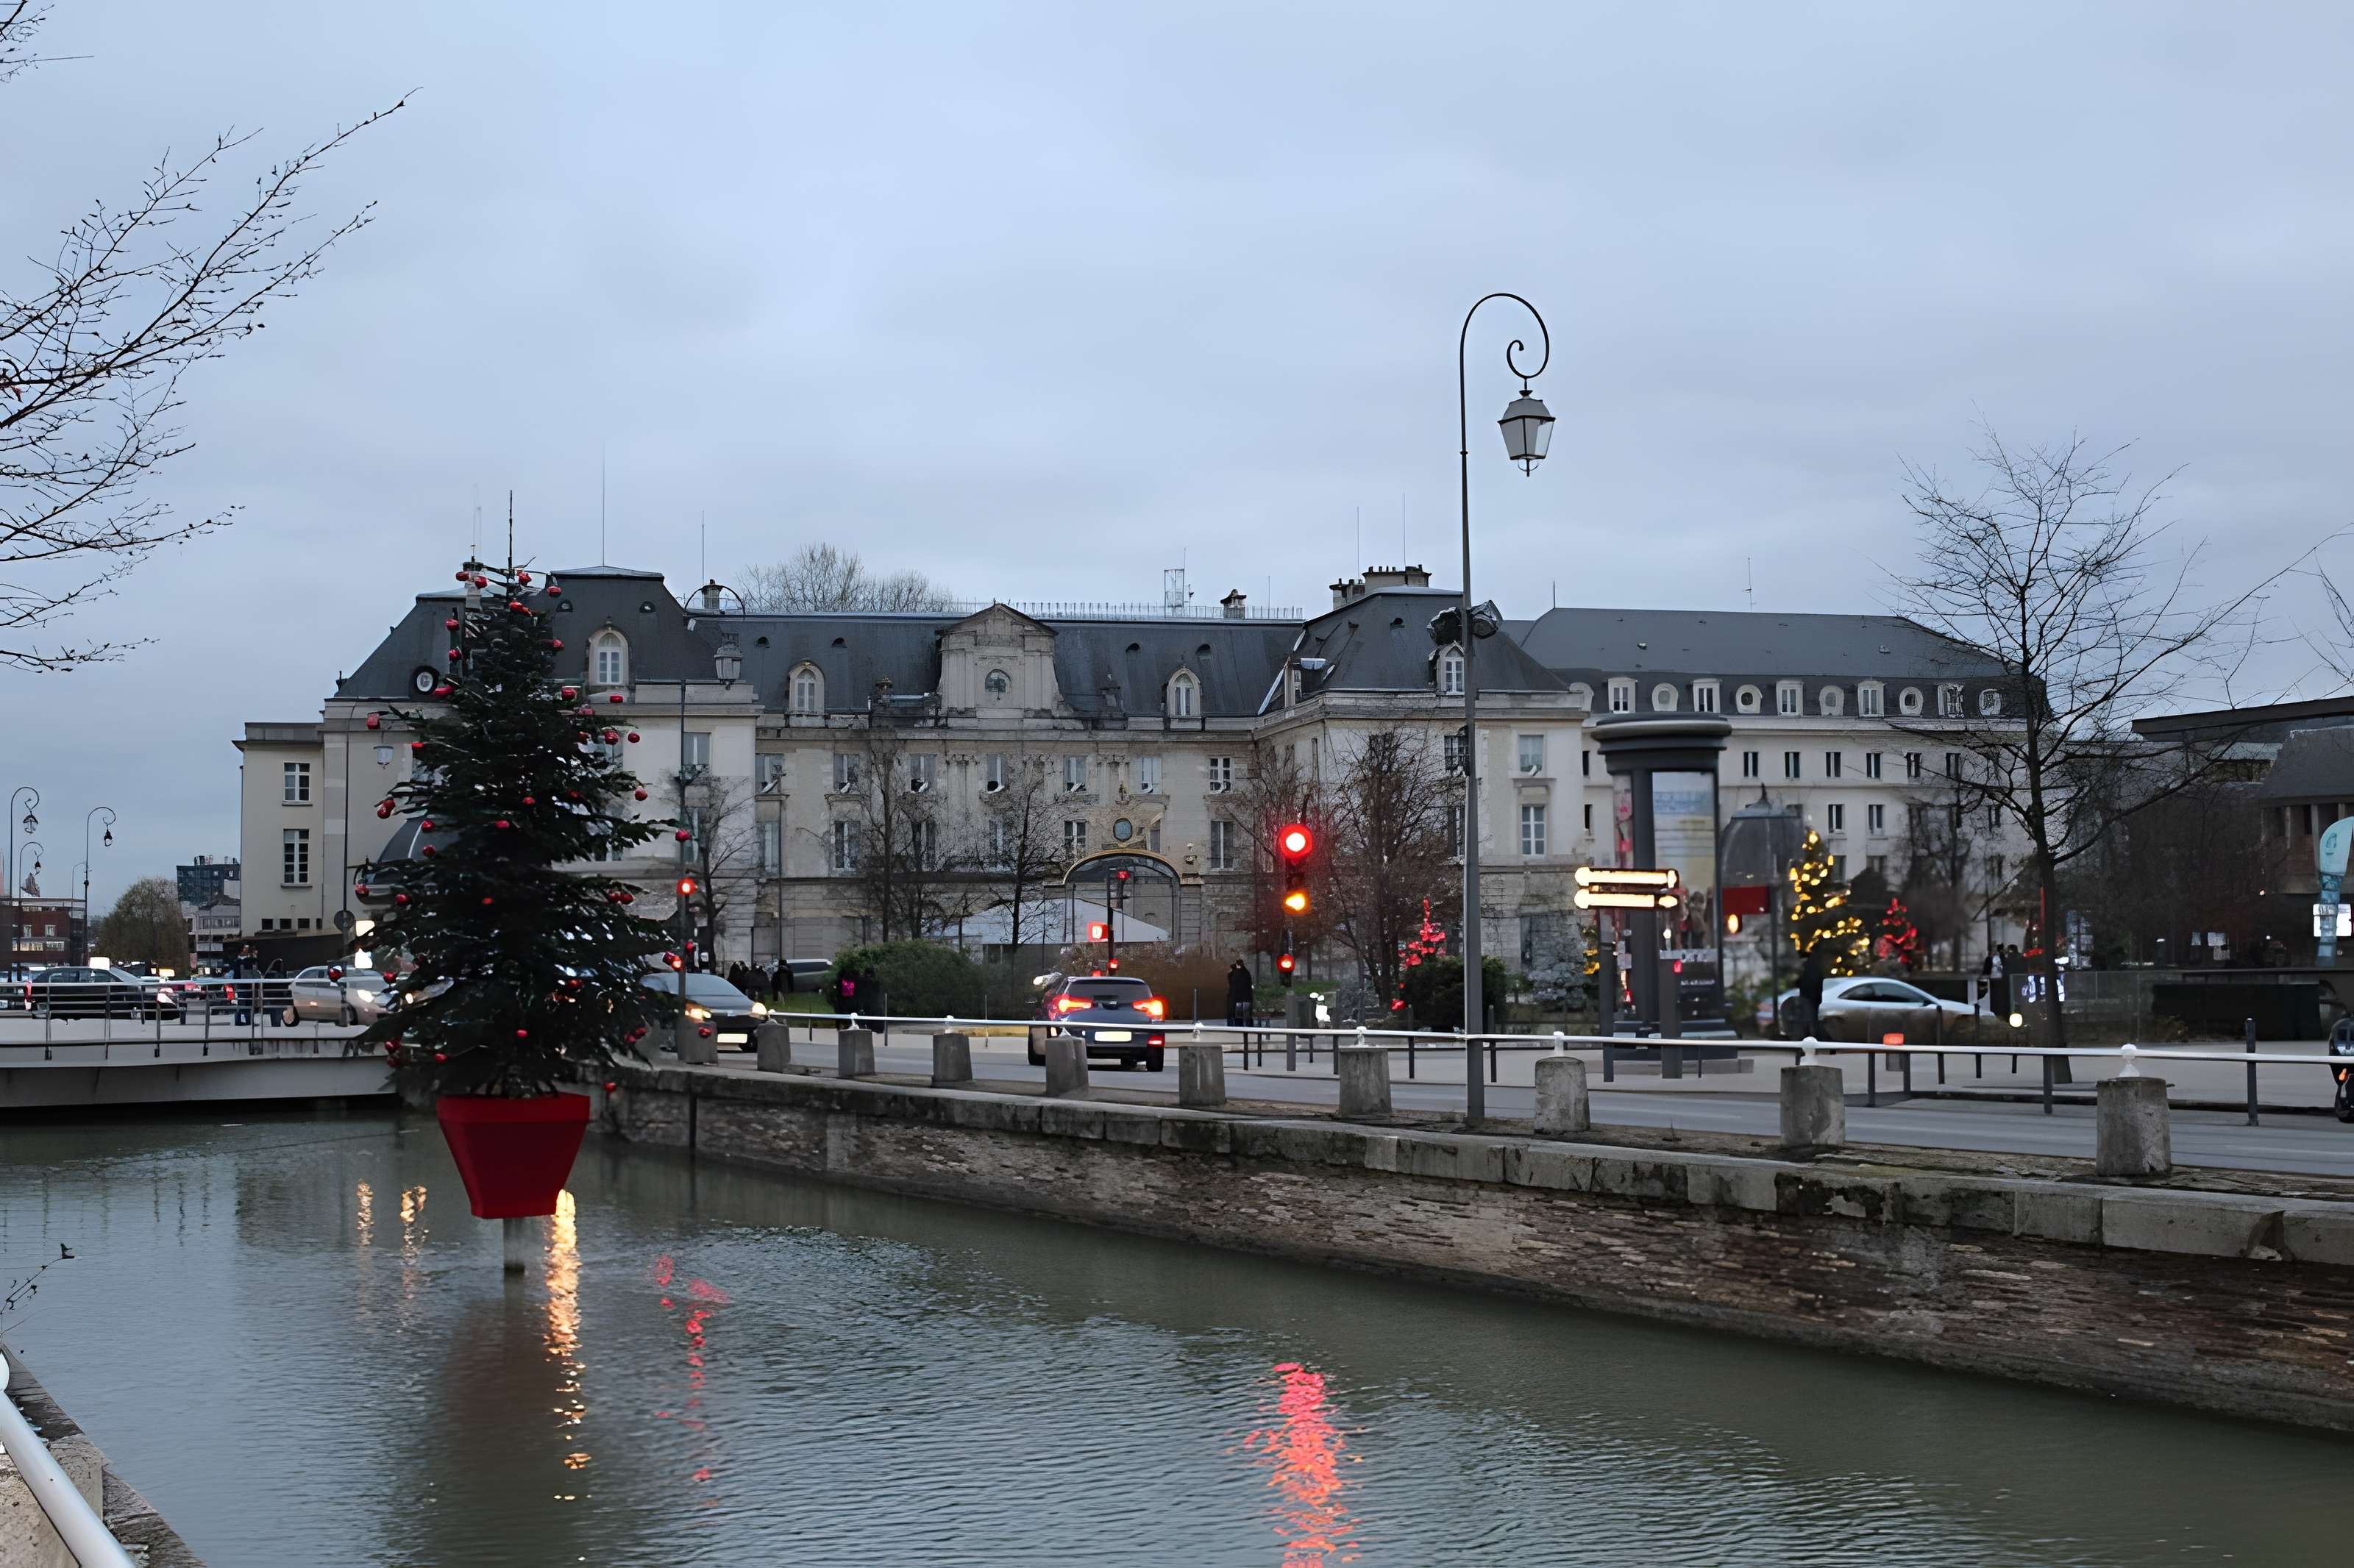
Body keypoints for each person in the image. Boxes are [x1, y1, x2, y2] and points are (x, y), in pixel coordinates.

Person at [1796, 945, 1826, 1038]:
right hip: (1813, 999)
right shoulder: (1815, 967)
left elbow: (1808, 984)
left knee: (1810, 1019)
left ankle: (1811, 1037)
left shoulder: (1810, 968)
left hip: (1810, 998)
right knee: (1812, 1019)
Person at [1226, 958, 1255, 1027]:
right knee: (1246, 1018)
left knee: (1238, 1018)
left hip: (1237, 1000)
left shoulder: (1234, 974)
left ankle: (1239, 1028)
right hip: (1246, 999)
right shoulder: (1246, 973)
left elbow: (1231, 982)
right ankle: (1247, 1028)